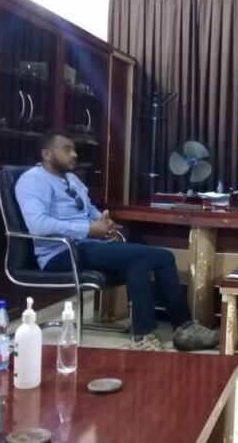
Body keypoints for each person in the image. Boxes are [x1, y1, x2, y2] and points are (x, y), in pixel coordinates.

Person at [15, 129, 219, 352]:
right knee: (138, 257)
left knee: (163, 257)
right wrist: (88, 229)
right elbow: (38, 224)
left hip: (89, 244)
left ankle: (185, 328)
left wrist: (106, 225)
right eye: (67, 150)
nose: (74, 154)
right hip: (61, 252)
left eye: (74, 149)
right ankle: (142, 336)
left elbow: (89, 210)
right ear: (47, 154)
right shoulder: (31, 181)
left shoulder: (72, 179)